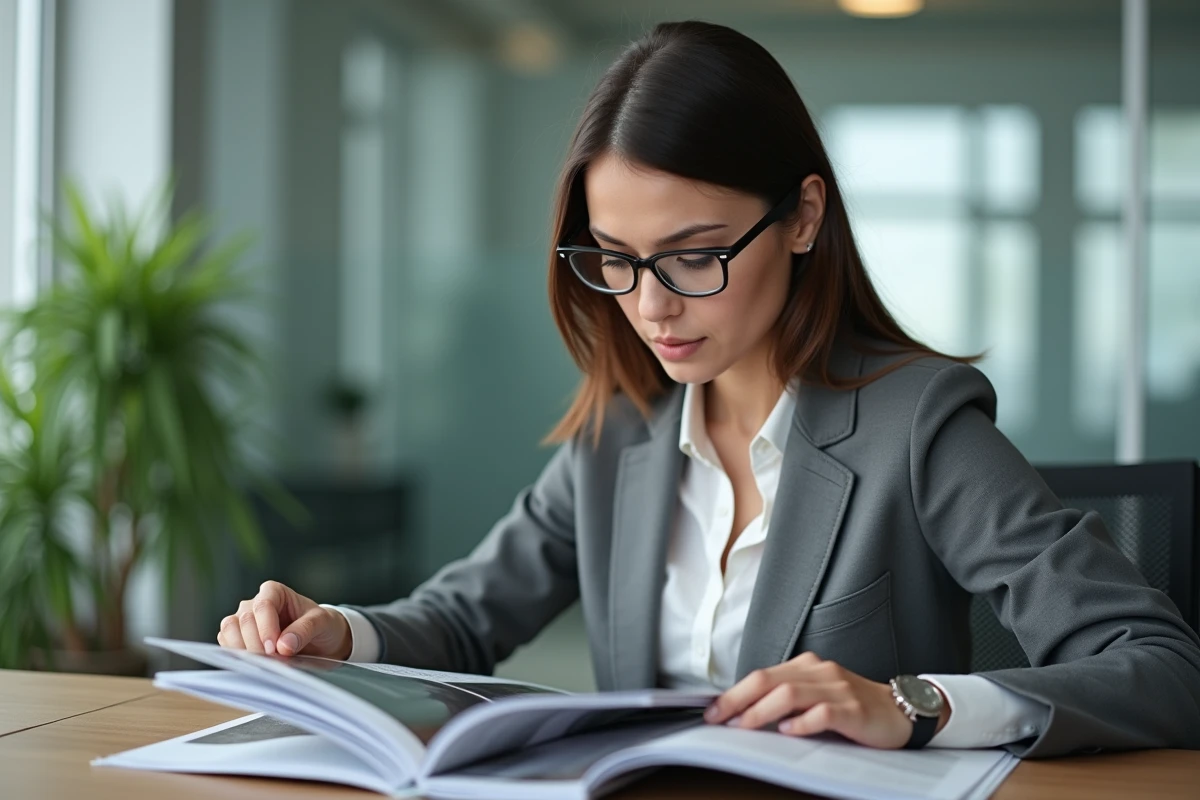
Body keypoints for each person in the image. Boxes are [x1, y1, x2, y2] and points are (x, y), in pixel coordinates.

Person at [217, 20, 1200, 756]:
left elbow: (1163, 667)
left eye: (693, 257)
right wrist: (335, 630)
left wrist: (909, 703)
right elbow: (467, 616)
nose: (650, 308)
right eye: (615, 258)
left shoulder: (919, 425)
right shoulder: (622, 434)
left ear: (804, 215)